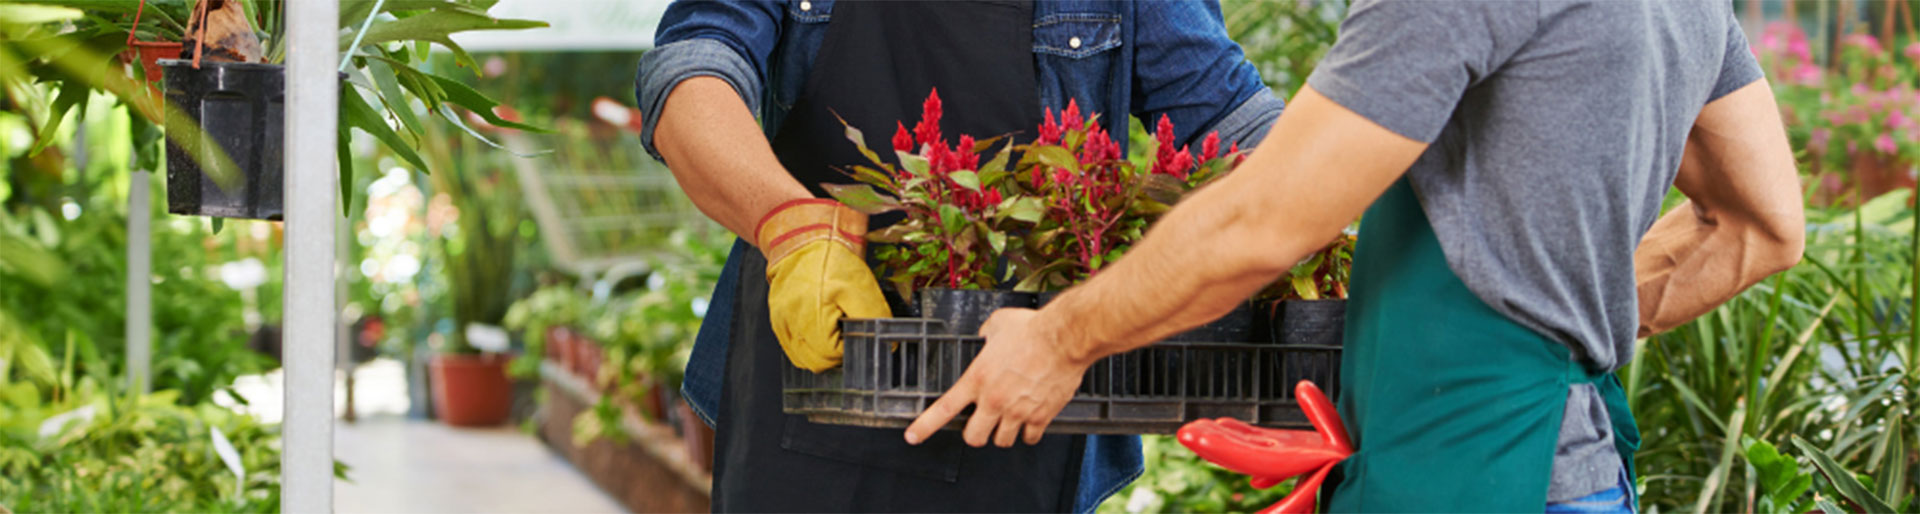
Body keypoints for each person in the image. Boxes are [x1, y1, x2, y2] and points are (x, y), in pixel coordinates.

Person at [906, 1, 1806, 512]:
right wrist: (1559, 323)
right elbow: (1761, 228)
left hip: (1461, 481)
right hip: (1580, 478)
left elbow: (1262, 223)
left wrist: (1058, 341)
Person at [633, 1, 1284, 511]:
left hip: (1025, 393)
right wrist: (789, 227)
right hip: (805, 366)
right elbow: (692, 63)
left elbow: (1229, 116)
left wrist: (1336, 210)